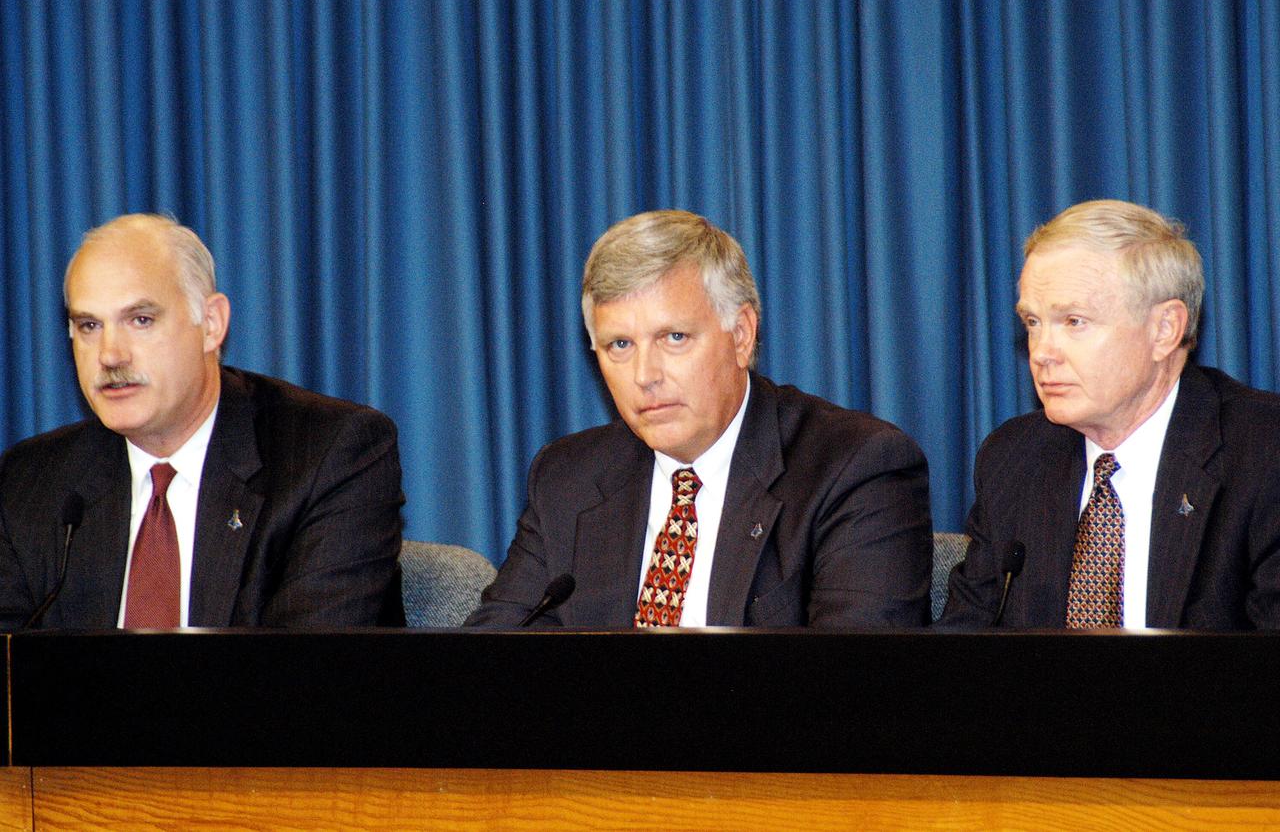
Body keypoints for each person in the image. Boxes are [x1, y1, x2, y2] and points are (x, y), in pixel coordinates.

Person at [467, 209, 932, 628]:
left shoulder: (854, 467)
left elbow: (858, 686)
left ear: (741, 336)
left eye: (673, 337)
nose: (644, 376)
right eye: (620, 346)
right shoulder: (568, 476)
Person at [0, 213, 405, 629]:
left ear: (211, 325)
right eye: (89, 326)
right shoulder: (28, 483)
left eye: (141, 320)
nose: (110, 355)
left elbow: (303, 673)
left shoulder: (330, 456)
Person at [941, 199, 1280, 629]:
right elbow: (961, 645)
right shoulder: (1014, 458)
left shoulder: (1263, 454)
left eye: (1074, 322)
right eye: (1032, 322)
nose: (1042, 352)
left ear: (1164, 329)